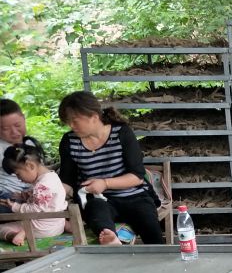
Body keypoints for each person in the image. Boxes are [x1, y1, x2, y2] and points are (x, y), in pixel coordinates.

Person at [57, 91, 164, 246]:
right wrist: (49, 191)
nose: (71, 126)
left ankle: (159, 258)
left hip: (134, 195)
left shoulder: (121, 132)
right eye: (68, 122)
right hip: (99, 199)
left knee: (148, 222)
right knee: (97, 212)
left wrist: (105, 183)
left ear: (93, 116)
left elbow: (137, 176)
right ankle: (111, 239)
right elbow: (67, 179)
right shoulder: (69, 141)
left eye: (74, 121)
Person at [0, 144, 66, 248]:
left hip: (42, 228)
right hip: (57, 224)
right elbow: (47, 203)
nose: (19, 179)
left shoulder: (42, 185)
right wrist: (24, 196)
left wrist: (15, 207)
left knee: (2, 228)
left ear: (30, 166)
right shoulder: (52, 177)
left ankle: (17, 234)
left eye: (18, 174)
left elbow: (37, 209)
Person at [0, 99, 46, 209]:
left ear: (24, 119)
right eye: (6, 128)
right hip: (7, 196)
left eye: (17, 125)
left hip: (34, 194)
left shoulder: (29, 143)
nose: (14, 132)